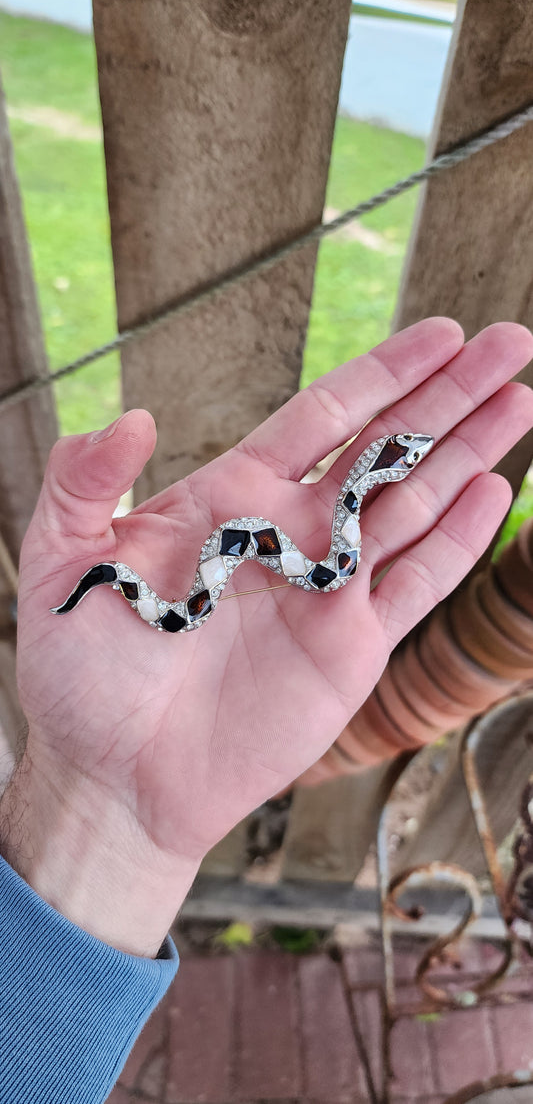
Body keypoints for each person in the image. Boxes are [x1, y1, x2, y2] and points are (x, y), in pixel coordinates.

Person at [1, 317, 532, 1102]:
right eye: (401, 461)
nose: (404, 464)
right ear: (382, 472)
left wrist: (102, 821)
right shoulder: (326, 545)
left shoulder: (338, 541)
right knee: (206, 590)